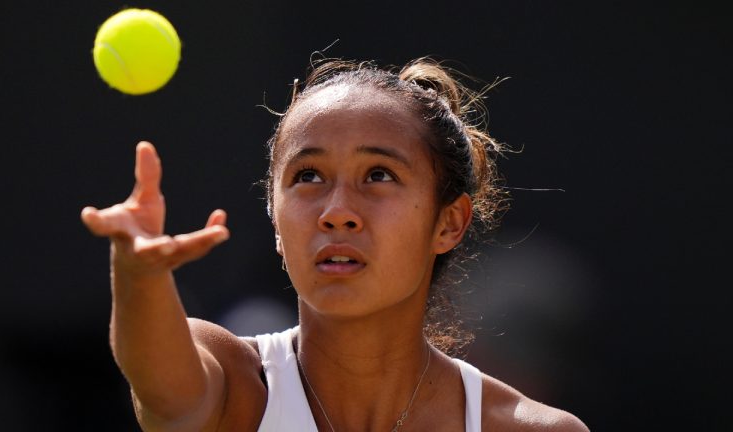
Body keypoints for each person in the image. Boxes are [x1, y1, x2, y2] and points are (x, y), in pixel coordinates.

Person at [81, 57, 589, 432]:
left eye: (378, 174)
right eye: (308, 176)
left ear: (449, 222)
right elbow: (162, 384)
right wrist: (137, 273)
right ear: (276, 222)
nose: (337, 211)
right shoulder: (234, 387)